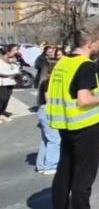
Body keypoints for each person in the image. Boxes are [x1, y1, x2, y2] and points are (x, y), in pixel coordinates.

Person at [46, 29, 99, 209]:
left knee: (64, 171)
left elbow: (53, 93)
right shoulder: (86, 65)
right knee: (83, 176)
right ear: (89, 44)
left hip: (64, 124)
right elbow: (84, 100)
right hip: (84, 125)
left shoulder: (63, 63)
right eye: (98, 43)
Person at [35, 46, 60, 174]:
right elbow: (49, 98)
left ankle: (41, 165)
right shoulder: (49, 82)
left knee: (46, 139)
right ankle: (50, 165)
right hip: (48, 111)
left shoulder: (44, 81)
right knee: (55, 139)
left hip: (42, 111)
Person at [0, 44, 20, 122]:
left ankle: (2, 114)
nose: (16, 52)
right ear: (8, 52)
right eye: (14, 50)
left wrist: (14, 64)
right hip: (2, 82)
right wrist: (12, 72)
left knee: (6, 99)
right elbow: (3, 72)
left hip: (10, 81)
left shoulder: (13, 60)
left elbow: (17, 70)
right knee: (2, 99)